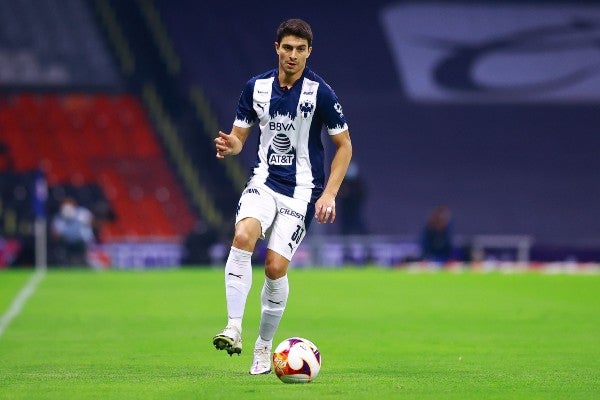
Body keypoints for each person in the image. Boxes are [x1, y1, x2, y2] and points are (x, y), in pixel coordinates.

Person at [212, 18, 352, 375]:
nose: (293, 55)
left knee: (275, 267)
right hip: (264, 182)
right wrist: (232, 146)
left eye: (300, 49)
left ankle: (263, 345)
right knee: (243, 235)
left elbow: (344, 146)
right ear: (277, 47)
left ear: (309, 52)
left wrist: (330, 194)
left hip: (302, 194)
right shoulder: (255, 87)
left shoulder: (321, 93)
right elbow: (240, 136)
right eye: (287, 47)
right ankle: (233, 327)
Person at [50, 197, 94, 266]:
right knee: (63, 253)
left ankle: (84, 263)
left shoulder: (82, 212)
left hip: (81, 241)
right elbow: (55, 233)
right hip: (66, 241)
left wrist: (75, 218)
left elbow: (90, 222)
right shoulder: (59, 217)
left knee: (83, 254)